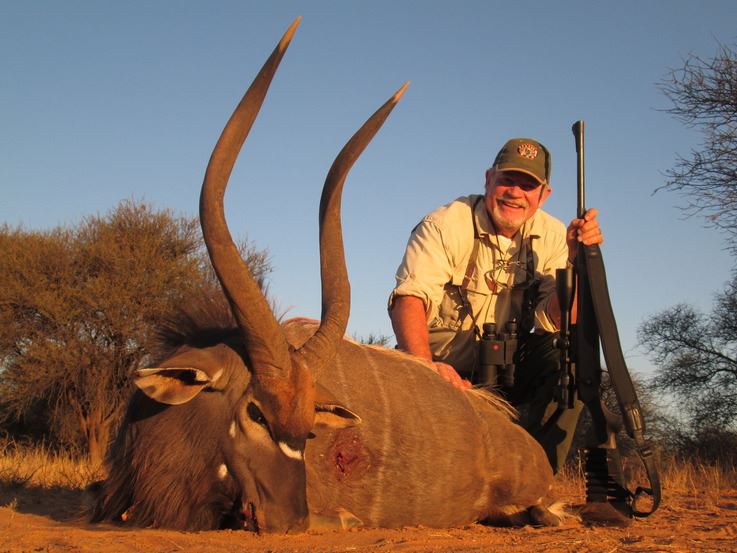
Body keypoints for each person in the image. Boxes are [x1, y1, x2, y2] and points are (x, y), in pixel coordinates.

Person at [388, 138, 603, 473]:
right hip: (442, 371)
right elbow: (409, 298)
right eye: (507, 180)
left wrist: (578, 264)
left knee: (573, 358)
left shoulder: (554, 234)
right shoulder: (445, 224)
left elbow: (558, 320)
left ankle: (535, 478)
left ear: (544, 195)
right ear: (488, 179)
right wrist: (426, 369)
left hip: (510, 372)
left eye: (528, 185)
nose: (515, 192)